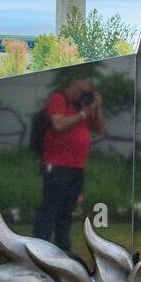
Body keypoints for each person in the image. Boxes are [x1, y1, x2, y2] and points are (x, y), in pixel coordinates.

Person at [32, 76, 104, 251]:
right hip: (57, 165)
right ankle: (39, 248)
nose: (82, 95)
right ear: (72, 85)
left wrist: (97, 107)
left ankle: (63, 249)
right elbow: (58, 124)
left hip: (77, 166)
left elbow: (100, 128)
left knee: (66, 210)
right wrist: (84, 113)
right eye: (80, 91)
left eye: (87, 93)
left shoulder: (84, 107)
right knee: (50, 208)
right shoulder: (59, 99)